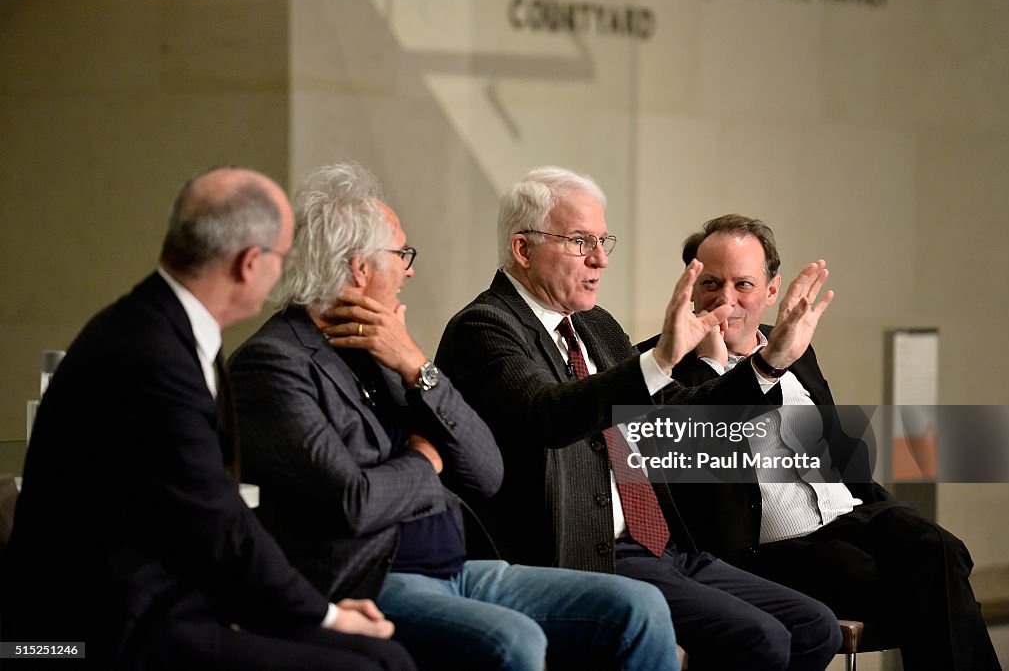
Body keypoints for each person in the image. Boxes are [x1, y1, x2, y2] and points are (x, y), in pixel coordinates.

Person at [228, 161, 680, 671]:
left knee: (640, 609)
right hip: (369, 579)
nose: (411, 269)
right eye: (402, 254)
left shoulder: (384, 347)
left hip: (459, 565)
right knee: (513, 642)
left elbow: (485, 471)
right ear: (359, 268)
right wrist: (426, 460)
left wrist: (417, 367)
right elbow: (354, 502)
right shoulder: (272, 363)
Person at [1, 168, 413, 671]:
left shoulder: (169, 328)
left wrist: (311, 610)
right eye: (283, 257)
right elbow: (215, 522)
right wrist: (323, 615)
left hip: (162, 601)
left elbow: (212, 517)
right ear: (249, 263)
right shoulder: (151, 354)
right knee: (374, 665)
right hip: (93, 633)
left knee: (381, 655)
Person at [436, 166, 842, 671]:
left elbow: (675, 425)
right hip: (585, 555)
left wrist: (767, 364)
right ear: (523, 249)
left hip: (663, 546)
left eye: (603, 240)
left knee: (813, 626)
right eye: (580, 241)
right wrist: (658, 361)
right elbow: (549, 415)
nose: (600, 258)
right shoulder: (485, 327)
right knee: (756, 638)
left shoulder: (594, 325)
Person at [636, 214, 1000, 671]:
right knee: (934, 586)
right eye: (710, 283)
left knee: (943, 549)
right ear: (689, 286)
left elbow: (839, 452)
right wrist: (716, 367)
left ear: (771, 292)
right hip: (763, 551)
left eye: (743, 284)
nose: (725, 300)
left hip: (847, 517)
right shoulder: (656, 366)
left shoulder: (794, 346)